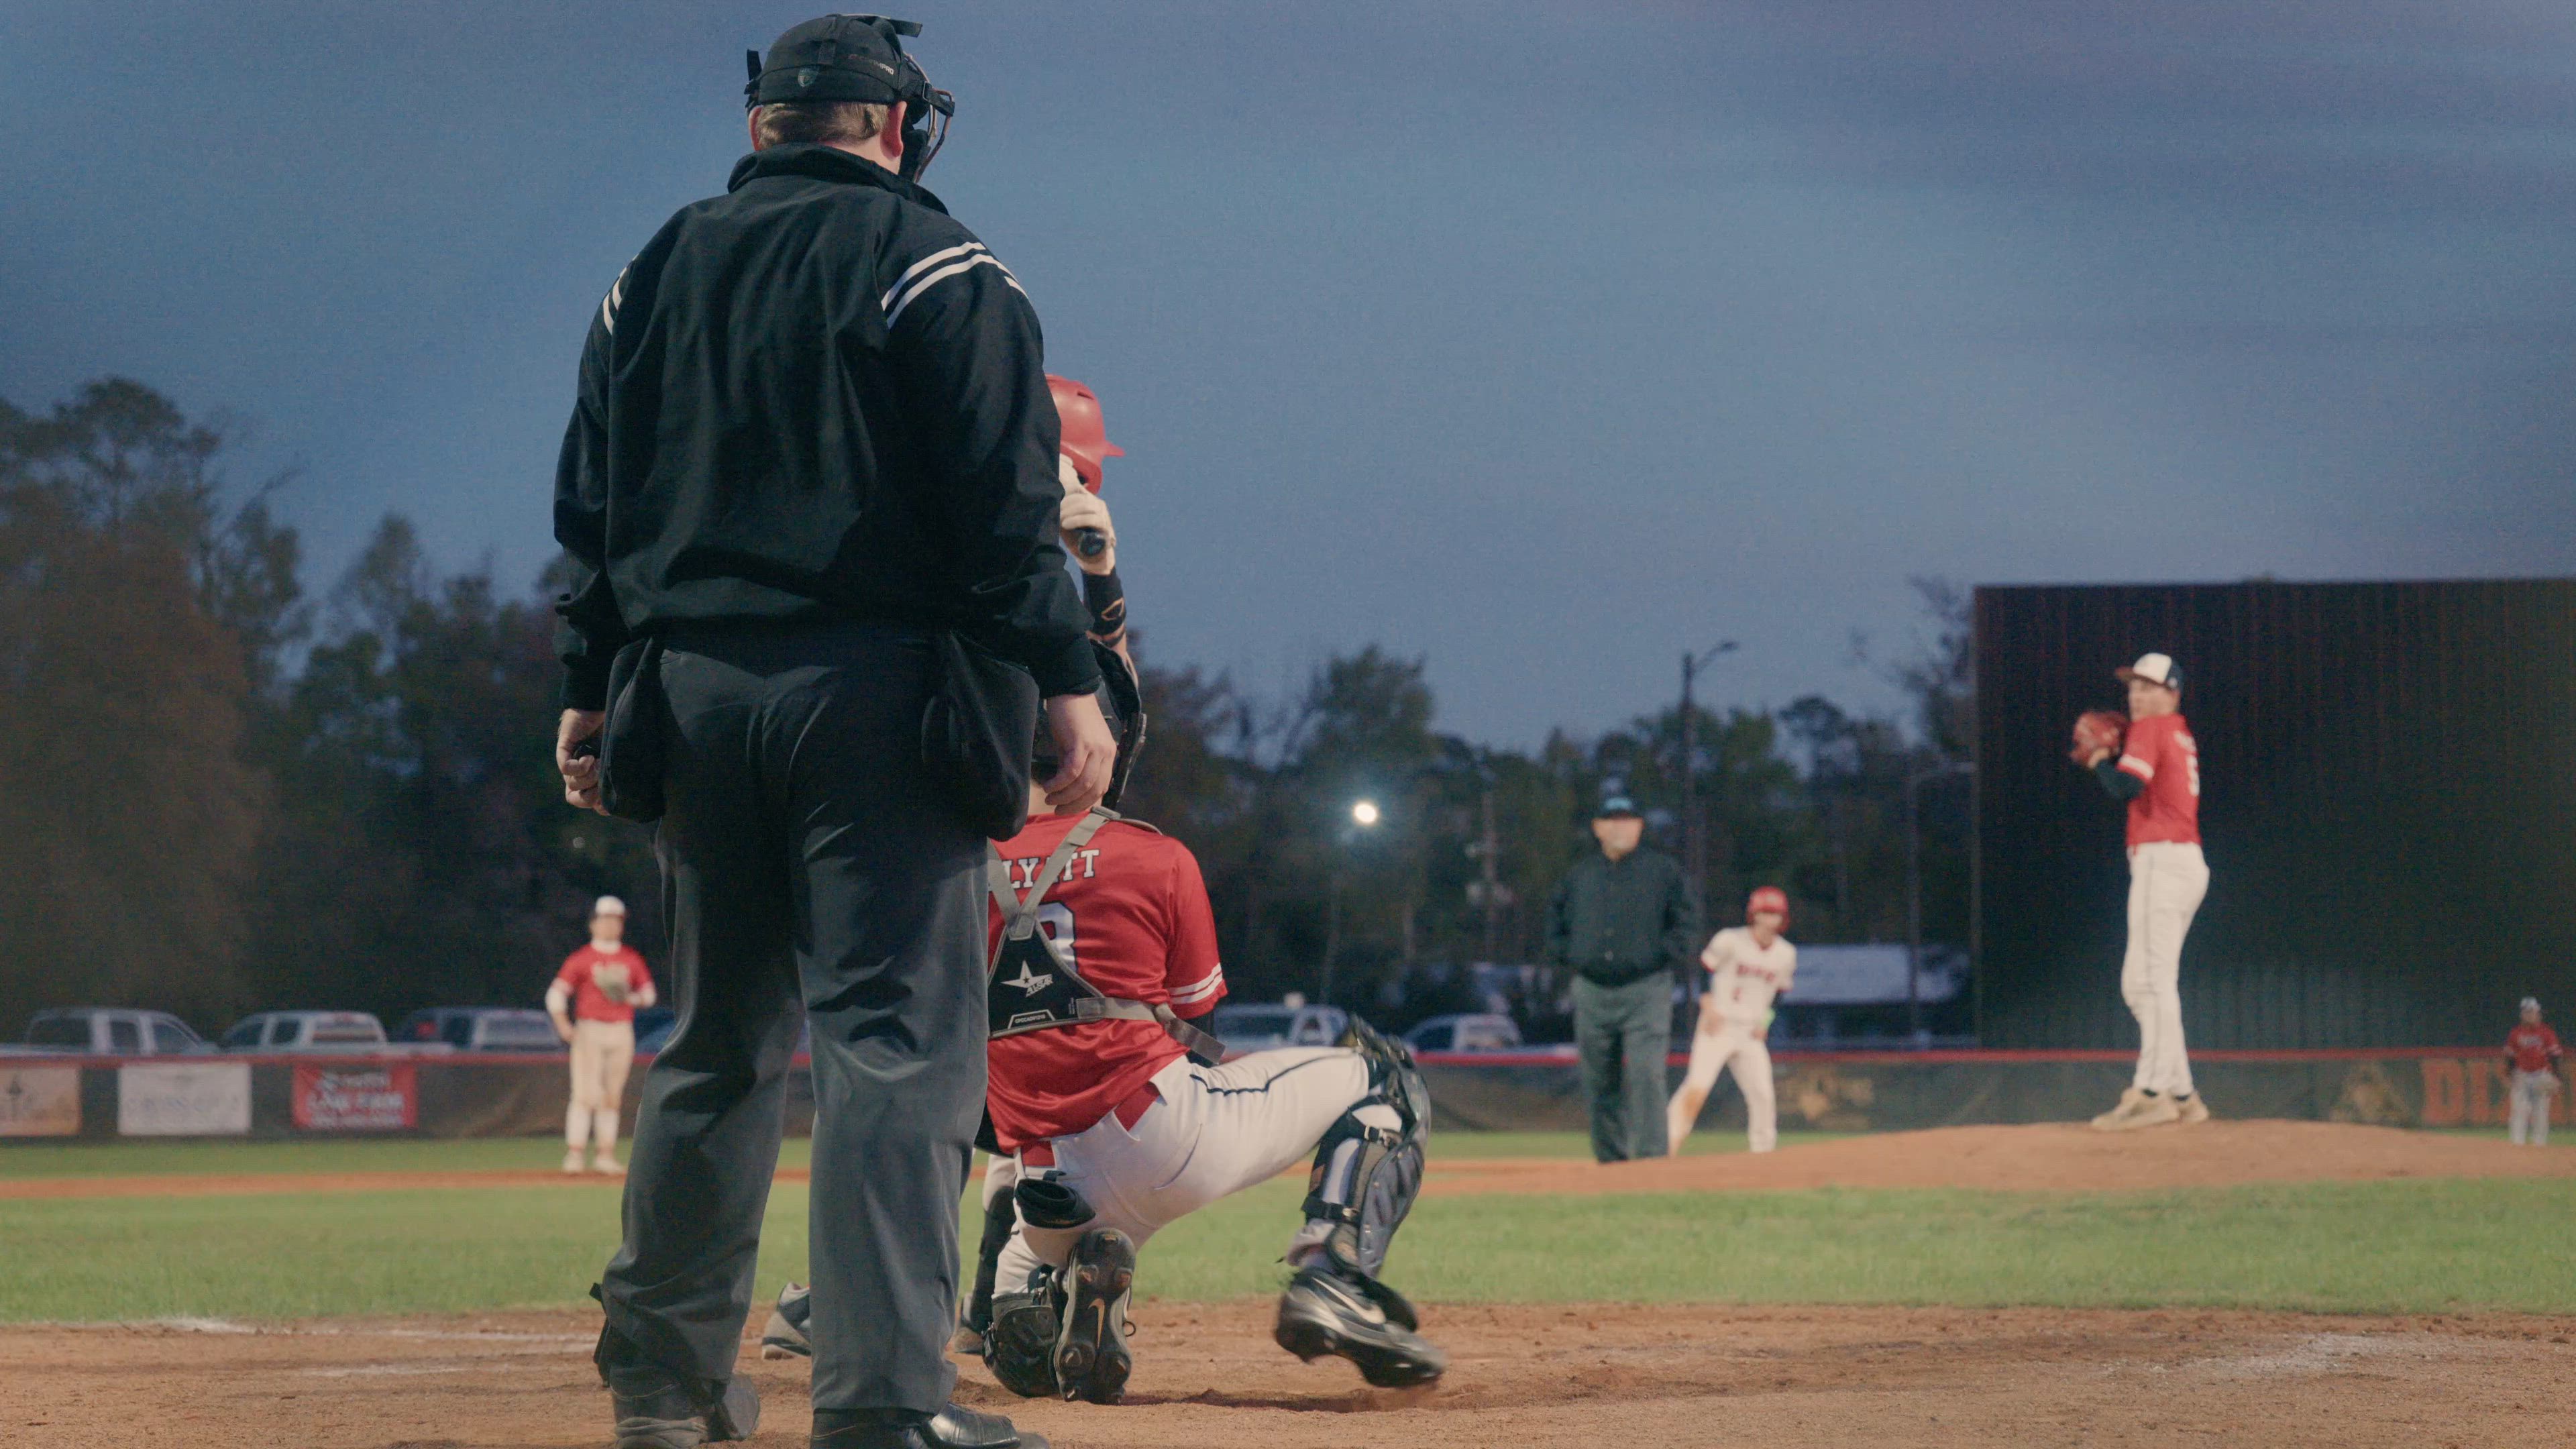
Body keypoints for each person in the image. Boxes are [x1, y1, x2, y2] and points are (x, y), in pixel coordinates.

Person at [550, 16, 1114, 1449]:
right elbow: (1006, 505)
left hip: (689, 693)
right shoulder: (939, 264)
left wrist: (590, 679)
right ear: (894, 127)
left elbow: (595, 508)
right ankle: (878, 1408)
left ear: (763, 129)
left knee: (718, 1045)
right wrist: (1065, 679)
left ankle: (665, 1395)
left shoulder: (653, 272)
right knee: (893, 1053)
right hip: (873, 697)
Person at [757, 685, 1445, 1403]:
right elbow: (1193, 1015)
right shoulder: (1152, 854)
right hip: (1162, 1132)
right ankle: (1335, 1275)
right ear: (1085, 753)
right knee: (1384, 1078)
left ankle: (1015, 1304)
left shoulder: (945, 874)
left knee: (1013, 1167)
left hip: (1045, 1181)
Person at [2076, 652, 2210, 1132]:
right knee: (2141, 985)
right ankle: (2183, 1094)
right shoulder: (2176, 731)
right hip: (2176, 860)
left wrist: (2097, 761)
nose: (2136, 696)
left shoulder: (2154, 729)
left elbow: (2125, 789)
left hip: (2163, 858)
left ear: (2172, 693)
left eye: (2148, 687)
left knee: (2152, 982)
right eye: (2132, 687)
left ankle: (2152, 1093)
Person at [1548, 793, 1701, 1163]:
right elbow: (1555, 922)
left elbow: (1687, 923)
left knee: (1648, 1075)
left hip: (1646, 988)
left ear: (1640, 826)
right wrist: (1568, 955)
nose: (1621, 826)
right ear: (1598, 828)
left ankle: (1651, 1161)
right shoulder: (1580, 875)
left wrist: (1661, 955)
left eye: (1628, 819)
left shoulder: (1663, 871)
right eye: (1612, 819)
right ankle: (1611, 1162)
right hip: (1592, 989)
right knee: (1599, 1081)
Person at [1666, 886, 1797, 1155]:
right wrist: (1708, 1007)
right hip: (1719, 1025)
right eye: (1765, 912)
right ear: (1754, 914)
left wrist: (1765, 1022)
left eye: (1775, 914)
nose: (1769, 919)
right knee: (1698, 1086)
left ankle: (1764, 1153)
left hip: (1750, 1031)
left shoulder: (1786, 953)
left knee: (1763, 1094)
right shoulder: (1730, 940)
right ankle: (1667, 1142)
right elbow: (1702, 971)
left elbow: (1779, 994)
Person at [547, 896, 657, 1175]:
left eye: (616, 920)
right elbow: (557, 993)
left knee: (611, 1096)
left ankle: (605, 1155)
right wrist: (563, 1024)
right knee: (585, 1094)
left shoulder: (630, 959)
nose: (610, 925)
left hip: (621, 1029)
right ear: (594, 923)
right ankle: (575, 1154)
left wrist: (629, 997)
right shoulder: (583, 958)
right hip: (590, 1028)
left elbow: (649, 995)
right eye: (605, 919)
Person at [2504, 997, 2563, 1147]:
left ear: (2538, 1013)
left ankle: (2539, 1147)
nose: (2532, 1015)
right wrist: (2508, 1075)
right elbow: (2510, 1056)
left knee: (2541, 1113)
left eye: (2534, 1012)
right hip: (2521, 1075)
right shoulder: (2515, 1033)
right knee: (2518, 1112)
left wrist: (2557, 1077)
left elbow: (2555, 1056)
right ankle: (2517, 1145)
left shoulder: (2546, 1033)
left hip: (2541, 1076)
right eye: (2528, 1012)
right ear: (2522, 1014)